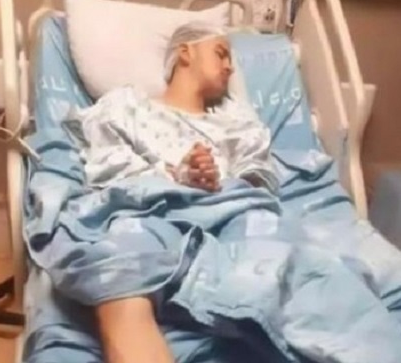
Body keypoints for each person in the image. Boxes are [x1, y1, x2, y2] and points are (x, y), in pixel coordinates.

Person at [80, 21, 279, 363]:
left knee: (284, 273)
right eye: (221, 54)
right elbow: (106, 167)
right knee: (121, 268)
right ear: (185, 53)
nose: (230, 67)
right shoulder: (128, 108)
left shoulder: (237, 121)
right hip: (150, 216)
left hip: (227, 223)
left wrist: (220, 183)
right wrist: (173, 176)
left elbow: (259, 179)